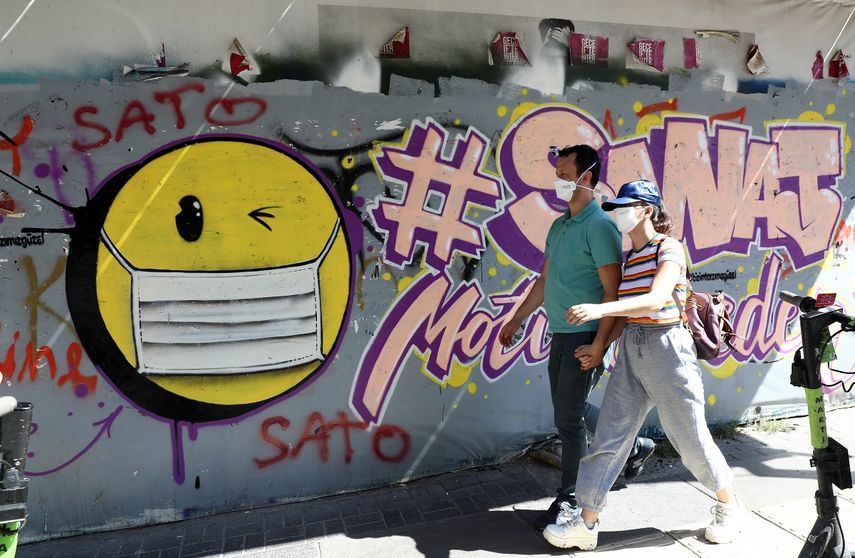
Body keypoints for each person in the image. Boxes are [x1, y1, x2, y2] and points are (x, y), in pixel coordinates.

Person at [543, 180, 744, 551]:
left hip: (669, 349)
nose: (618, 213)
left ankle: (728, 506)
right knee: (609, 438)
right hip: (633, 347)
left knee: (691, 439)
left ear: (647, 210)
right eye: (616, 207)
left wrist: (601, 309)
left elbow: (655, 300)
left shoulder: (668, 248)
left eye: (625, 206)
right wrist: (600, 345)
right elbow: (629, 313)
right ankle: (586, 524)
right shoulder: (631, 257)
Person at [498, 146, 655, 531]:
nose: (558, 180)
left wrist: (599, 343)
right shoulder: (560, 226)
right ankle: (634, 447)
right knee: (567, 409)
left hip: (585, 334)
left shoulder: (599, 225)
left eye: (564, 172)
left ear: (586, 176)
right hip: (560, 331)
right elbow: (545, 280)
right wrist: (515, 319)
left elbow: (611, 291)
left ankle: (570, 499)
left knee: (567, 419)